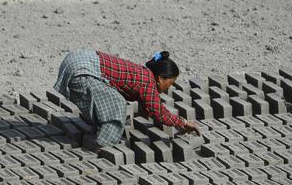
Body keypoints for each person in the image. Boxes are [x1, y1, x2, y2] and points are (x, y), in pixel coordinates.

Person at [54, 49, 202, 149]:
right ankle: (101, 145)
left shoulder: (144, 74)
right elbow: (159, 113)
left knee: (107, 99)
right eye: (169, 83)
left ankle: (99, 129)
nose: (169, 88)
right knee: (117, 105)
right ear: (160, 78)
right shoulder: (147, 83)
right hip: (81, 70)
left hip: (80, 57)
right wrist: (183, 123)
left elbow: (151, 108)